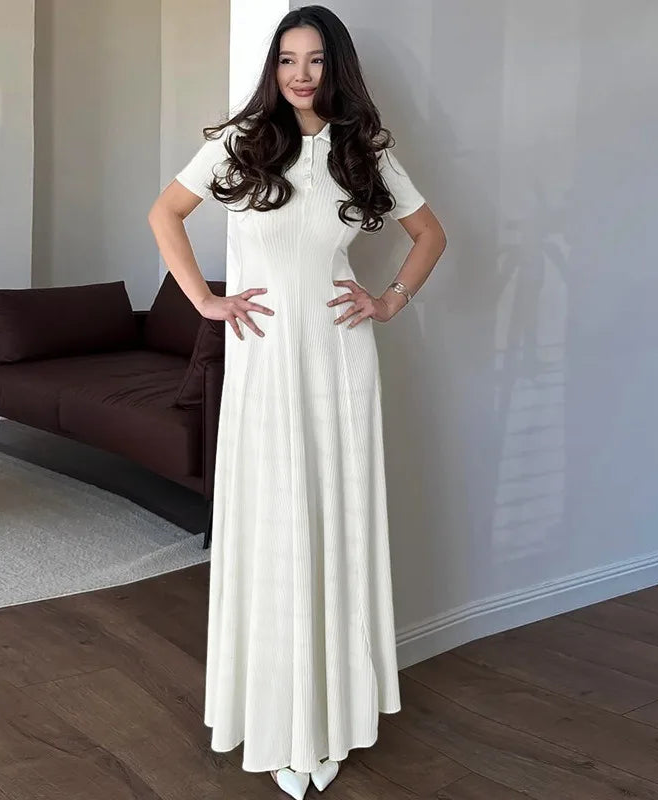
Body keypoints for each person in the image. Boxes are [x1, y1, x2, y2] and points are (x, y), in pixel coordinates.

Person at [148, 5, 447, 798]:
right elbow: (165, 214)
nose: (301, 74)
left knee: (334, 522)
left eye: (315, 60)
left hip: (340, 360)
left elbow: (431, 236)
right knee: (275, 528)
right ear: (274, 69)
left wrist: (389, 301)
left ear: (336, 67)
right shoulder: (241, 144)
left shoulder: (364, 151)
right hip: (263, 362)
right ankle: (276, 714)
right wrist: (205, 301)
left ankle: (331, 718)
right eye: (287, 59)